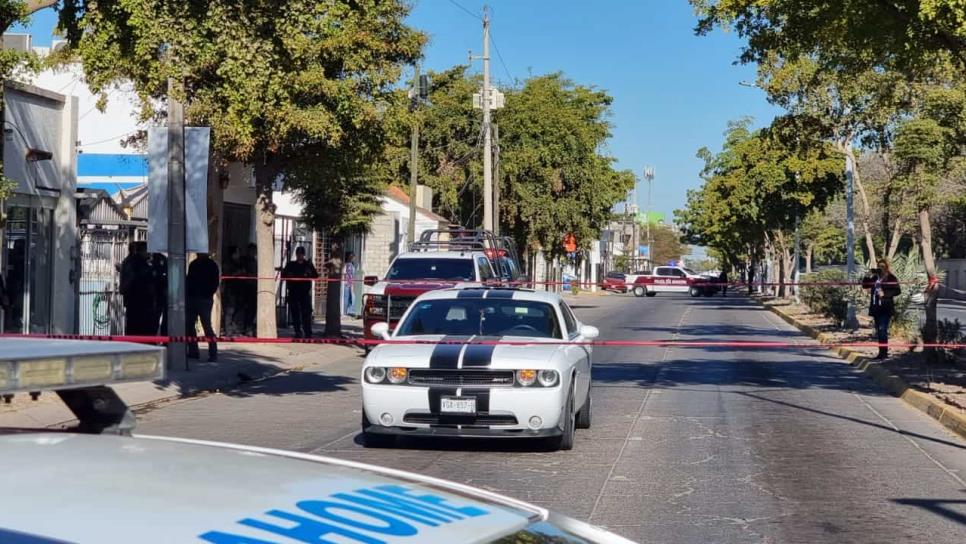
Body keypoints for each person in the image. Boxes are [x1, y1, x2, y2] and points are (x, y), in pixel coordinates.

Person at [862, 258, 901, 359]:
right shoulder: (875, 278)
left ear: (887, 268)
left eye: (883, 267)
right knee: (879, 331)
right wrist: (867, 274)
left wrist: (885, 294)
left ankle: (884, 353)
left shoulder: (891, 277)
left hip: (885, 308)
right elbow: (865, 285)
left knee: (882, 329)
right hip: (876, 308)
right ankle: (881, 353)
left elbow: (897, 290)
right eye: (879, 266)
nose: (880, 268)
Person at [186, 253, 220, 362]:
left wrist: (207, 294)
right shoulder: (194, 264)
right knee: (189, 326)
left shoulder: (211, 265)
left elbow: (215, 283)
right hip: (194, 298)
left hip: (204, 299)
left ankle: (212, 353)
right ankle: (193, 351)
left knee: (206, 326)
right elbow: (189, 281)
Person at [282, 246, 319, 338]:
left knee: (306, 313)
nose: (300, 256)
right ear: (296, 254)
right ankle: (297, 331)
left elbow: (315, 276)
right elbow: (283, 275)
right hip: (293, 292)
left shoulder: (308, 264)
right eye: (298, 254)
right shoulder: (291, 265)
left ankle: (307, 331)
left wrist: (310, 269)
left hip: (304, 293)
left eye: (301, 254)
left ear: (304, 254)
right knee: (295, 313)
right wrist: (289, 275)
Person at [119, 241, 154, 335]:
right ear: (141, 251)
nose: (149, 253)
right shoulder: (139, 264)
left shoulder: (128, 261)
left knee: (132, 326)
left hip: (133, 301)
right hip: (139, 301)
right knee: (139, 328)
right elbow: (141, 280)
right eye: (147, 251)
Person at [222, 246, 244, 335]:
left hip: (238, 289)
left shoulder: (239, 263)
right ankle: (228, 330)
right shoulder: (228, 263)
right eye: (237, 252)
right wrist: (237, 273)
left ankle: (235, 329)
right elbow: (227, 275)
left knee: (237, 310)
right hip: (230, 290)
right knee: (230, 310)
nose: (239, 255)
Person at [242, 243, 258, 336]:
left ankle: (249, 327)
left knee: (252, 309)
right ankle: (246, 328)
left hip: (253, 286)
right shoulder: (245, 260)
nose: (254, 252)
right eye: (252, 250)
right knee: (247, 309)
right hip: (247, 287)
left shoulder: (254, 261)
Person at [343, 252, 356, 316]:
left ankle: (349, 311)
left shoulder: (350, 265)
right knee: (347, 297)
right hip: (347, 284)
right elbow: (347, 275)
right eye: (353, 257)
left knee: (350, 298)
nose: (354, 259)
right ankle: (346, 311)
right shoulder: (348, 265)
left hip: (350, 284)